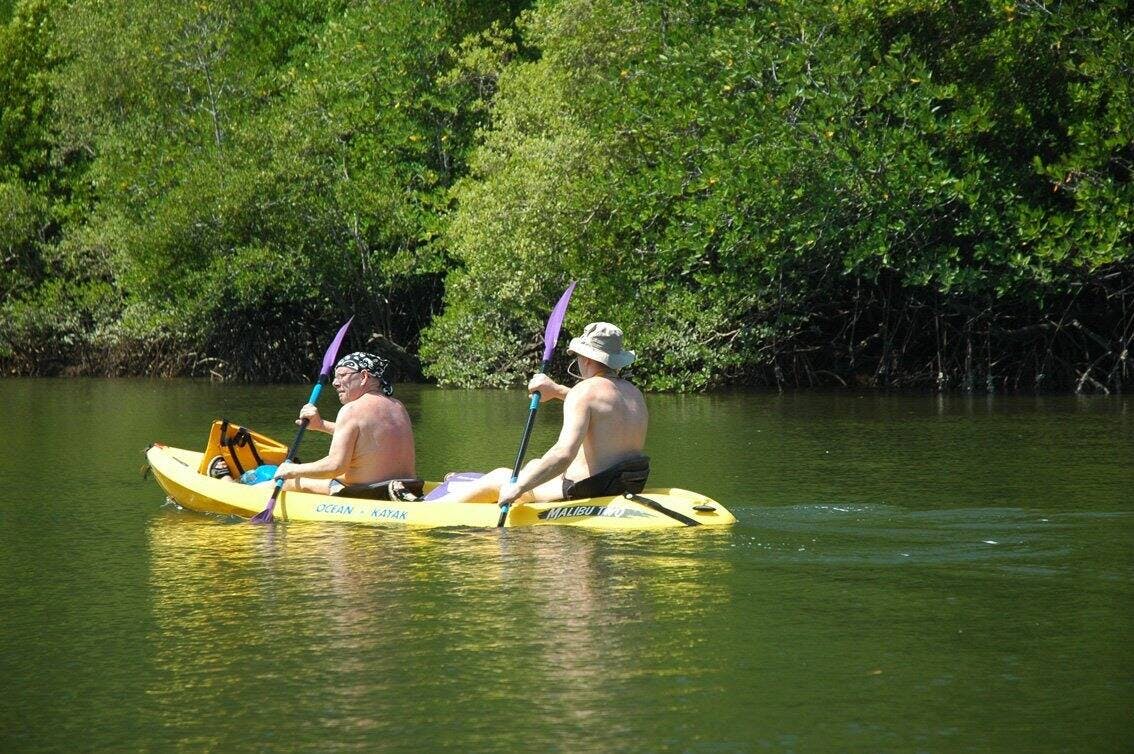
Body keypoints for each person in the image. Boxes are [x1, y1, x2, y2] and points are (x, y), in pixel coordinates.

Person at [415, 322, 649, 506]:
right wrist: (556, 391)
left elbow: (563, 454)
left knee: (500, 477)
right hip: (625, 482)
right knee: (535, 463)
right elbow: (601, 410)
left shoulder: (584, 391)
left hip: (586, 489)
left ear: (586, 359)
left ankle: (430, 509)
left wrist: (518, 488)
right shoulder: (633, 393)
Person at [270, 351, 416, 494]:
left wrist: (293, 469)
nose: (335, 383)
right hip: (408, 488)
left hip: (368, 493)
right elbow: (366, 436)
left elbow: (335, 466)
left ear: (364, 376)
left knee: (283, 482)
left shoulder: (352, 409)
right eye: (335, 377)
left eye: (343, 375)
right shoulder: (398, 406)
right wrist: (321, 425)